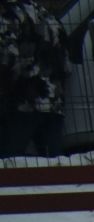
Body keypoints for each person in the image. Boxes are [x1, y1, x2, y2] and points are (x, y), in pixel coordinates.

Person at [1, 0, 69, 159]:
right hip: (54, 101)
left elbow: (6, 60)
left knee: (9, 164)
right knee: (53, 163)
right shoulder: (44, 14)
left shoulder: (7, 15)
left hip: (23, 103)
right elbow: (66, 64)